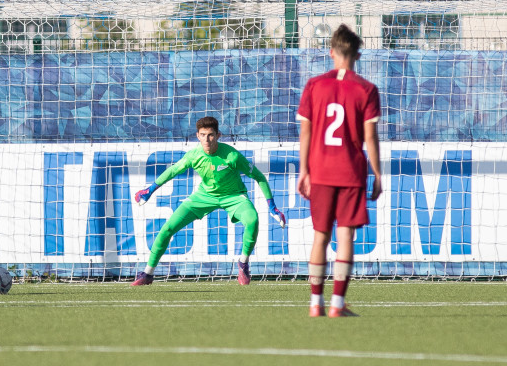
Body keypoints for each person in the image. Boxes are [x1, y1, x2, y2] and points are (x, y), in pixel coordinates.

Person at [132, 116, 286, 286]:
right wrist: (150, 190)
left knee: (253, 220)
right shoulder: (193, 155)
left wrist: (272, 207)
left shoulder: (232, 156)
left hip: (234, 197)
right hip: (204, 197)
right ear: (197, 136)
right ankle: (147, 274)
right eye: (203, 134)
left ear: (218, 135)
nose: (207, 139)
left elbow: (259, 177)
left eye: (211, 135)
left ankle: (243, 263)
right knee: (167, 228)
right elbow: (173, 171)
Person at [296, 24, 382, 318]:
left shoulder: (314, 85)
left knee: (320, 236)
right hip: (350, 172)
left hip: (319, 171)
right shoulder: (367, 89)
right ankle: (337, 304)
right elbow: (370, 138)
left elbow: (305, 133)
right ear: (357, 54)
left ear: (331, 52)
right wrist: (378, 174)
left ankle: (314, 304)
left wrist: (303, 170)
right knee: (345, 237)